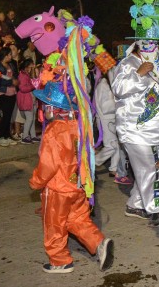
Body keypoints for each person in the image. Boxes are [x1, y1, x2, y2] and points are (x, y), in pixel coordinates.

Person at [29, 82, 114, 274]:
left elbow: (48, 164)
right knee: (77, 219)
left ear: (53, 108)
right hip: (78, 185)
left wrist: (36, 181)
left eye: (45, 105)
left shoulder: (54, 131)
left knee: (54, 225)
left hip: (58, 188)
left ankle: (60, 261)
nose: (42, 109)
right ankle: (99, 243)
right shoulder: (80, 126)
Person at [112, 39, 159, 223]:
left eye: (158, 47)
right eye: (150, 45)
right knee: (149, 170)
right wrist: (139, 75)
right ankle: (155, 208)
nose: (155, 50)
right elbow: (117, 89)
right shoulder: (127, 63)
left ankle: (135, 204)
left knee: (147, 171)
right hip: (134, 129)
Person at [0, 47, 17, 146]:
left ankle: (7, 136)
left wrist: (14, 82)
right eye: (9, 54)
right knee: (5, 115)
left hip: (12, 92)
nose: (11, 56)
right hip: (2, 93)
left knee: (9, 115)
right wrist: (11, 81)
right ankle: (1, 136)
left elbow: (14, 76)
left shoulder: (11, 65)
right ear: (5, 55)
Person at [15, 59, 38, 143]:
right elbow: (22, 88)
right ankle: (25, 136)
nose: (33, 68)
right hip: (26, 100)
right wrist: (33, 86)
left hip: (31, 100)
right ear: (27, 67)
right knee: (29, 118)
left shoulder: (28, 75)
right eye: (31, 66)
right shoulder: (23, 75)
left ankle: (33, 136)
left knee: (32, 119)